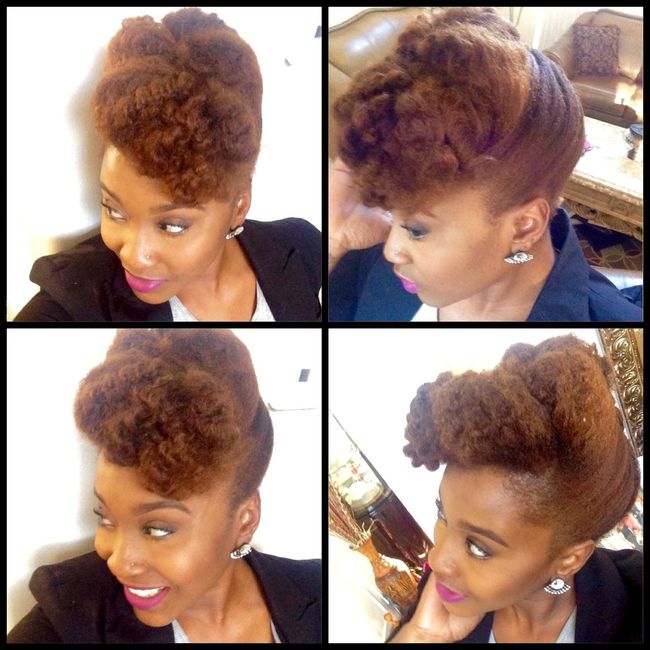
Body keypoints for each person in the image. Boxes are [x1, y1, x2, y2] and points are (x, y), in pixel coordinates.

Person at [7, 329, 321, 643]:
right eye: (106, 518)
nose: (118, 562)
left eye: (157, 529)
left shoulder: (318, 590)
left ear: (245, 521)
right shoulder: (68, 616)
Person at [328, 7, 641, 322]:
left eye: (417, 231)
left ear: (524, 226)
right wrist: (334, 242)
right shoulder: (368, 246)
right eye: (389, 211)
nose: (390, 251)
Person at [14, 8, 321, 322]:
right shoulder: (70, 305)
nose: (134, 256)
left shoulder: (301, 247)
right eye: (113, 210)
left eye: (172, 226)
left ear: (239, 204)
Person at [388, 334, 641, 643]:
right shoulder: (442, 592)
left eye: (478, 547)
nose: (436, 558)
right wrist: (420, 636)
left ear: (569, 559)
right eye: (443, 513)